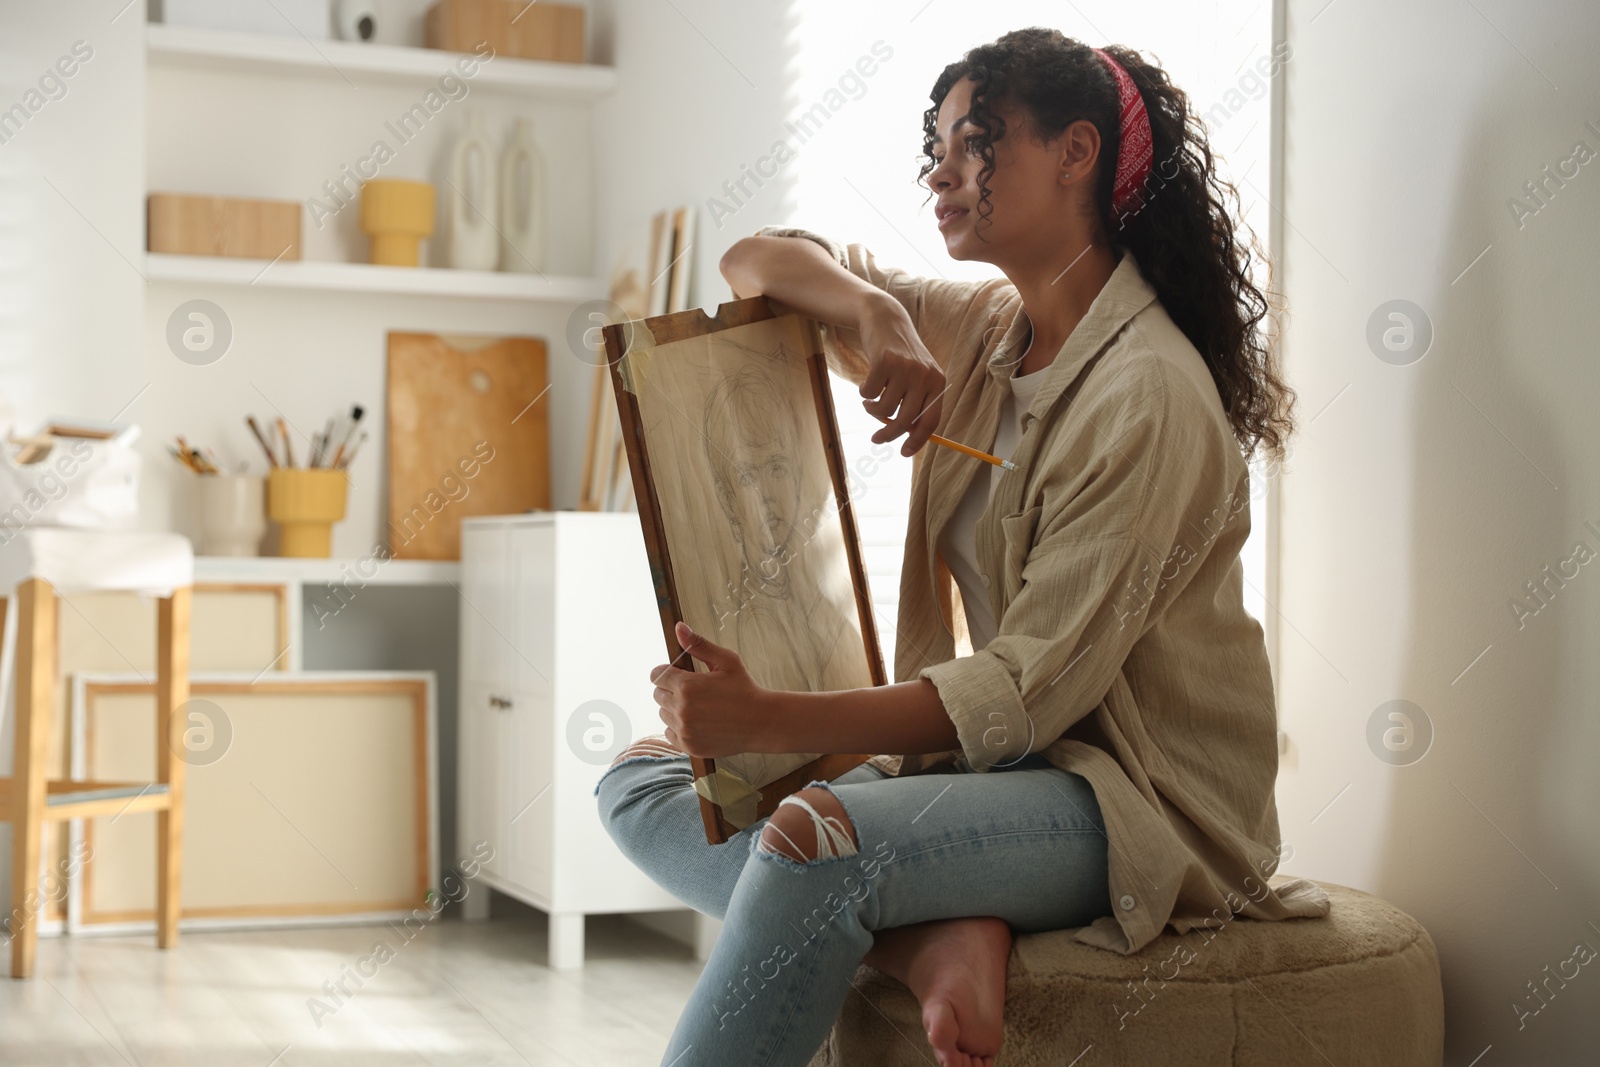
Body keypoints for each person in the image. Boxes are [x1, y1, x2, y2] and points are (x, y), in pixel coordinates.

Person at [594, 26, 1329, 1067]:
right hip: (997, 769)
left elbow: (1023, 691)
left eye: (973, 141)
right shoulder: (987, 329)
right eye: (935, 147)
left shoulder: (1147, 393)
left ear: (1075, 152)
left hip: (1129, 799)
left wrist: (769, 714)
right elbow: (753, 257)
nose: (941, 171)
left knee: (811, 836)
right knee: (639, 778)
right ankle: (923, 936)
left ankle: (902, 910)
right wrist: (874, 310)